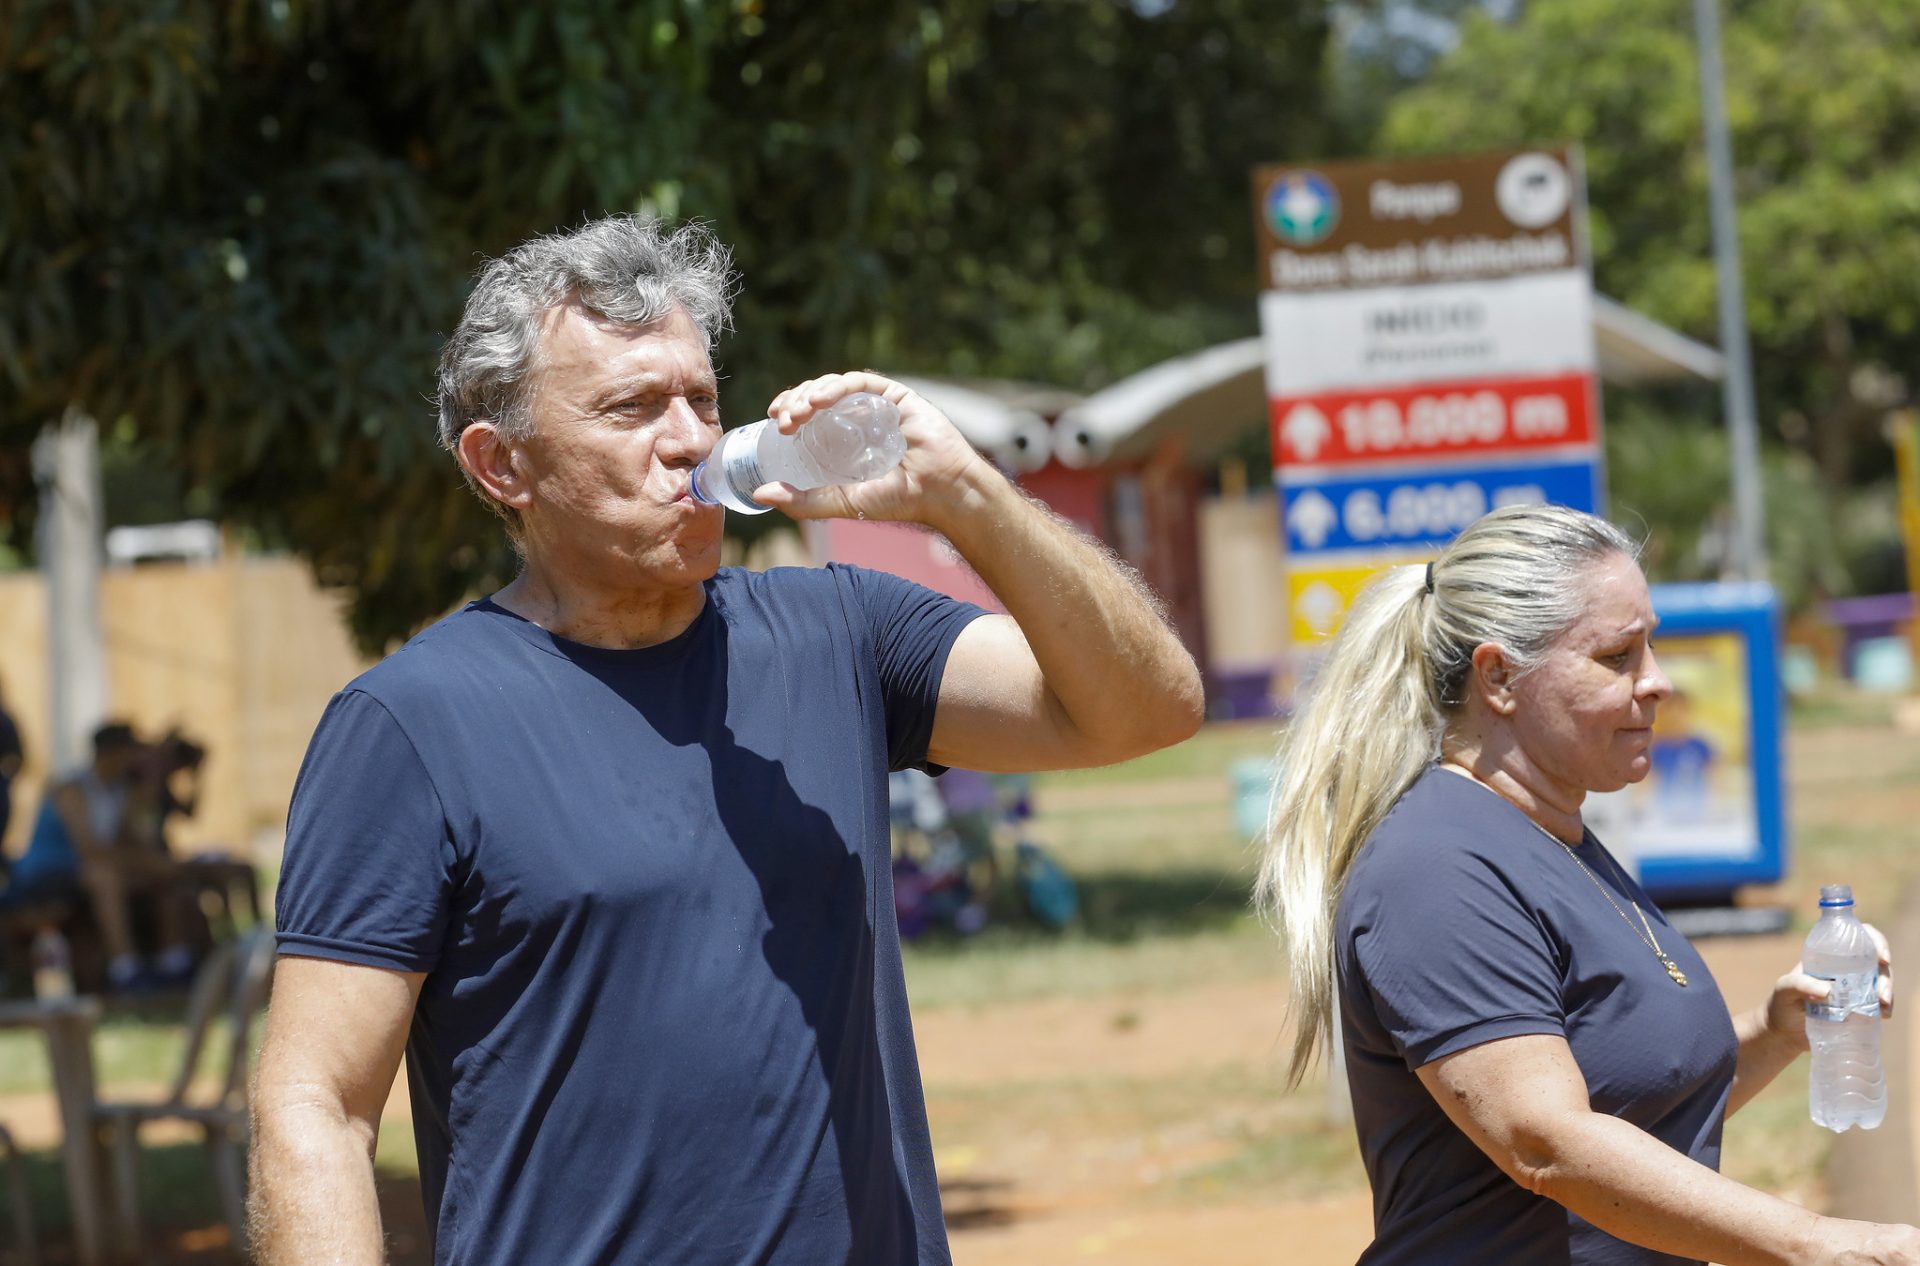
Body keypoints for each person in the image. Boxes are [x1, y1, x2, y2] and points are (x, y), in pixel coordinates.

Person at [248, 215, 1204, 1265]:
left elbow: (1145, 709)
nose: (691, 440)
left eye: (701, 398)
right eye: (631, 408)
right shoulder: (413, 723)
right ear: (501, 466)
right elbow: (317, 1106)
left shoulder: (843, 635)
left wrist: (966, 497)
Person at [1256, 503, 1920, 1266]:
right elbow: (1546, 1141)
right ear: (1499, 676)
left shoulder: (1555, 835)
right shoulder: (1436, 868)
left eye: (1651, 647)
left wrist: (1773, 1034)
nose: (1658, 682)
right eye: (1618, 657)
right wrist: (1820, 1244)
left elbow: (1636, 1107)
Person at [2, 722, 198, 989]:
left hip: (95, 868)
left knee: (162, 878)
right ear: (112, 753)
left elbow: (138, 840)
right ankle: (125, 968)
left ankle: (173, 961)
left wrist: (150, 785)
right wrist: (147, 863)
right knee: (106, 878)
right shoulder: (71, 789)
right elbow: (89, 849)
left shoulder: (121, 790)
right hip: (49, 873)